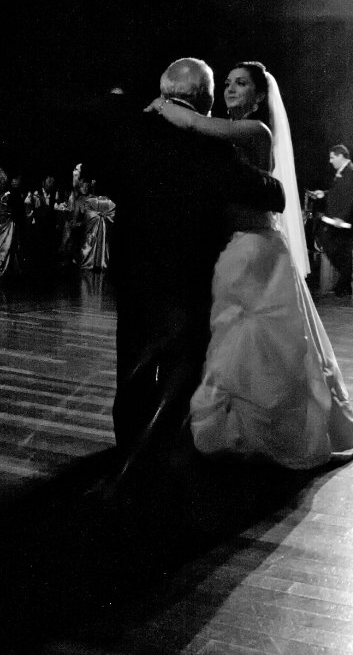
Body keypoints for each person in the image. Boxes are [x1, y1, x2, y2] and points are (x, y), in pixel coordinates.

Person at [149, 61, 353, 469]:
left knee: (258, 344)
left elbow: (200, 126)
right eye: (227, 83)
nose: (231, 89)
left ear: (259, 96)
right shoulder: (216, 130)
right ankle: (239, 429)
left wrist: (166, 107)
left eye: (241, 83)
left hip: (255, 249)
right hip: (228, 247)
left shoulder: (254, 131)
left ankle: (268, 432)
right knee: (232, 344)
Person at [103, 58, 286, 474]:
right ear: (204, 100)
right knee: (178, 370)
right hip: (184, 273)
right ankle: (148, 460)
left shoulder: (131, 131)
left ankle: (126, 451)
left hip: (133, 269)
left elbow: (109, 180)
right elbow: (264, 192)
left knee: (132, 365)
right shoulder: (208, 144)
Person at [310, 145, 353, 297]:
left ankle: (345, 276)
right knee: (344, 252)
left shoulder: (351, 173)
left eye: (333, 157)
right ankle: (344, 285)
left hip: (343, 221)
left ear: (341, 156)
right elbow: (339, 193)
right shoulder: (345, 172)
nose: (330, 160)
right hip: (339, 220)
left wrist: (342, 217)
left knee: (326, 239)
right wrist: (324, 194)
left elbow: (351, 197)